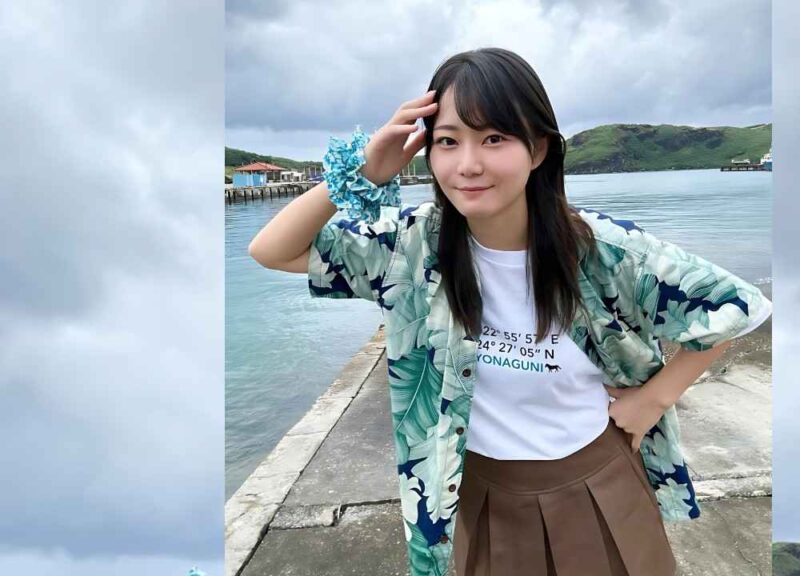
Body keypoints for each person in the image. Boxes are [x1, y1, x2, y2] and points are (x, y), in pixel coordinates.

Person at [248, 47, 772, 576]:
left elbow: (736, 306)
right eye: (448, 141)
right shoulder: (411, 249)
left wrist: (652, 401)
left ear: (538, 149)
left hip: (597, 482)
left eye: (494, 138)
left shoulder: (602, 251)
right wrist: (360, 174)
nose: (468, 164)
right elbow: (275, 250)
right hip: (476, 494)